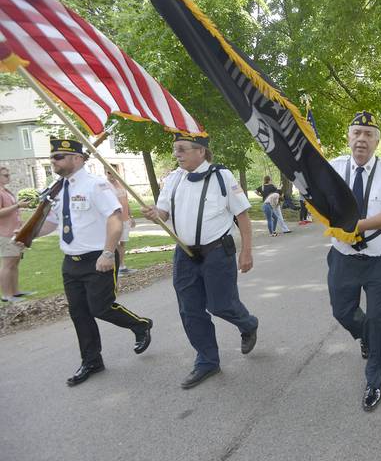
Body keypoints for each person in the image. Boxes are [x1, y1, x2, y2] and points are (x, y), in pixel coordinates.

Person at [26, 138, 154, 386]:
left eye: (59, 157)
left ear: (77, 158)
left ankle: (140, 325)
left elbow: (115, 220)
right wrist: (26, 236)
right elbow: (53, 222)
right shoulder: (58, 188)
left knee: (100, 307)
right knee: (79, 313)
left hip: (98, 258)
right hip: (70, 261)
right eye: (52, 157)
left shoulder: (97, 185)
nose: (53, 161)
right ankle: (92, 360)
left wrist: (108, 253)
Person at [142, 134, 258, 389]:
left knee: (221, 305)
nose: (177, 155)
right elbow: (164, 212)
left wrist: (246, 251)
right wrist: (155, 214)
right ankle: (207, 361)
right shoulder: (173, 179)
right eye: (175, 150)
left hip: (217, 252)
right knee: (190, 309)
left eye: (182, 149)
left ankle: (248, 324)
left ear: (201, 151)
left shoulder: (222, 177)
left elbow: (243, 217)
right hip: (184, 254)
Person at [328, 111, 381, 411]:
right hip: (343, 257)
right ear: (348, 137)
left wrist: (354, 226)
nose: (361, 138)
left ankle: (374, 380)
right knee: (342, 312)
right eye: (356, 132)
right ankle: (366, 336)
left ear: (377, 141)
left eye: (368, 134)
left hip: (378, 259)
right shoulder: (332, 169)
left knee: (378, 317)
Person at [0, 167, 32, 302]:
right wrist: (18, 205)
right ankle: (7, 295)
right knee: (7, 264)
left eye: (8, 174)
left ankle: (15, 292)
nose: (8, 177)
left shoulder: (5, 191)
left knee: (15, 262)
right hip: (5, 233)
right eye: (5, 175)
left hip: (15, 232)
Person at [105, 171, 136, 275]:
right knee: (115, 244)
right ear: (106, 173)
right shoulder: (105, 186)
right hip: (115, 219)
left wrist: (131, 216)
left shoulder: (121, 184)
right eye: (109, 173)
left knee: (122, 243)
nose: (111, 175)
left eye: (113, 173)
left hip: (125, 218)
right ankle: (116, 267)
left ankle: (122, 266)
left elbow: (126, 201)